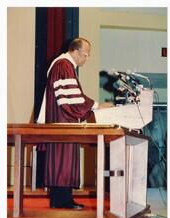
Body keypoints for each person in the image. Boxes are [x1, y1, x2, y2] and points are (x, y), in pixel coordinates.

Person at [37, 37, 113, 209]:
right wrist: (97, 105)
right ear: (76, 51)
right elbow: (71, 98)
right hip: (62, 123)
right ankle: (61, 202)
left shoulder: (65, 66)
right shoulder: (63, 65)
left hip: (65, 121)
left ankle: (65, 199)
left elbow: (72, 96)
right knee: (62, 161)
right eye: (86, 54)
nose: (87, 58)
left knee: (65, 161)